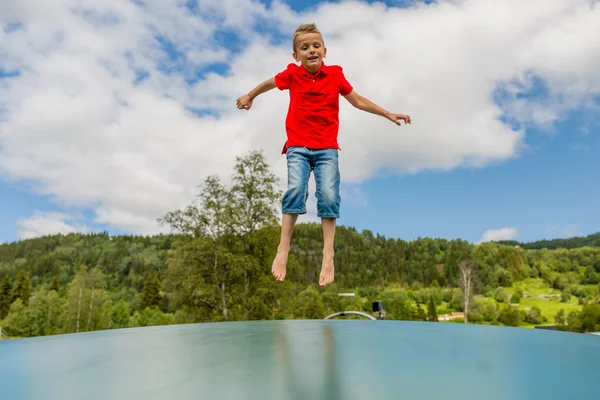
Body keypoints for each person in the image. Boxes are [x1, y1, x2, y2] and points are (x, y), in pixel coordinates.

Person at [236, 23, 411, 286]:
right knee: (295, 189)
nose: (311, 50)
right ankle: (283, 248)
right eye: (304, 48)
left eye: (316, 46)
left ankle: (328, 254)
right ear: (296, 56)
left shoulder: (335, 76)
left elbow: (358, 100)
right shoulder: (292, 75)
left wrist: (387, 113)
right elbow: (269, 84)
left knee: (329, 196)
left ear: (325, 50)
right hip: (297, 146)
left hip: (327, 148)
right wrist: (250, 95)